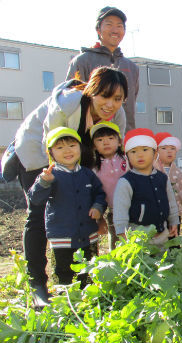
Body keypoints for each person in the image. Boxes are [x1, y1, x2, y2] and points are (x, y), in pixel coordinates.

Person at [13, 66, 127, 306]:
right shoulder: (69, 103)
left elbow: (107, 158)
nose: (110, 104)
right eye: (104, 96)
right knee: (40, 216)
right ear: (90, 91)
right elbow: (50, 143)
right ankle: (38, 284)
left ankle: (85, 280)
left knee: (84, 213)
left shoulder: (118, 116)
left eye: (117, 98)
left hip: (78, 162)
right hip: (40, 155)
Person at [27, 127, 106, 290]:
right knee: (63, 273)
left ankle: (88, 301)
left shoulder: (87, 174)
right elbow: (35, 199)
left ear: (80, 148)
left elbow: (100, 194)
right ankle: (65, 304)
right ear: (51, 153)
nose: (67, 151)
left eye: (72, 145)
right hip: (61, 237)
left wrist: (98, 207)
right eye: (60, 147)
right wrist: (44, 182)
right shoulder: (50, 175)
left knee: (89, 270)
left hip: (88, 234)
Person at [66, 6, 138, 133]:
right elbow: (70, 100)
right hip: (90, 136)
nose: (115, 30)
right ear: (98, 29)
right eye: (109, 24)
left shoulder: (132, 67)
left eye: (119, 26)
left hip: (123, 135)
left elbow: (131, 102)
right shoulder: (82, 61)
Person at [113, 129, 179, 245]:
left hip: (162, 233)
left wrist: (174, 221)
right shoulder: (126, 181)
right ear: (127, 156)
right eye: (133, 152)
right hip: (137, 235)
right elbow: (120, 209)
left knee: (163, 261)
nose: (140, 155)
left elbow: (171, 202)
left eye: (145, 149)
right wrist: (121, 230)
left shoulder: (162, 178)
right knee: (142, 262)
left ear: (155, 154)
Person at [90, 121, 127, 251]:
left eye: (110, 138)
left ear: (119, 142)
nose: (106, 142)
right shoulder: (94, 168)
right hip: (113, 210)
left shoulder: (127, 160)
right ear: (94, 146)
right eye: (100, 140)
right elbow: (95, 193)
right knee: (117, 241)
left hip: (133, 207)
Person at [155, 132, 182, 237]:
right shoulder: (152, 171)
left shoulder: (178, 172)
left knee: (173, 237)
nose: (169, 151)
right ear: (156, 151)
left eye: (172, 148)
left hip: (176, 212)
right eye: (164, 148)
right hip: (157, 212)